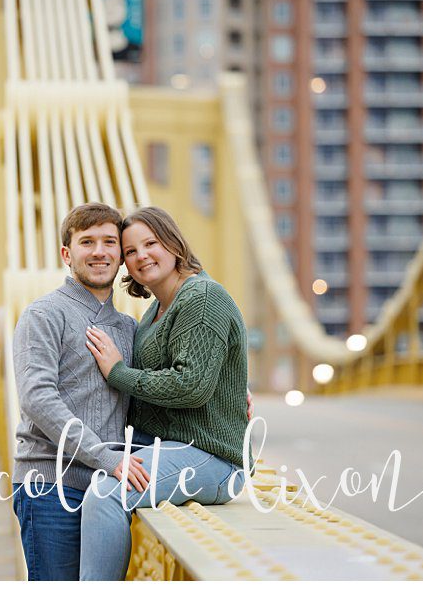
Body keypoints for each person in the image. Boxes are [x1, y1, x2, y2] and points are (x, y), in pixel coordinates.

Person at [77, 205, 251, 580]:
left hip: (213, 456)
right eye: (130, 251)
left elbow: (191, 387)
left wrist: (117, 372)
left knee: (106, 494)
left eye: (151, 243)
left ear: (173, 243)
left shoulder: (202, 298)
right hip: (167, 447)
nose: (141, 256)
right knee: (82, 474)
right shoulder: (156, 309)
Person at [9, 202, 146, 581]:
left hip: (108, 489)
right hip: (51, 487)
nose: (99, 251)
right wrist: (106, 458)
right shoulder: (43, 314)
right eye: (87, 242)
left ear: (121, 256)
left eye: (109, 242)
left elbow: (153, 394)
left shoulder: (130, 329)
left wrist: (226, 400)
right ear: (67, 254)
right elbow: (37, 399)